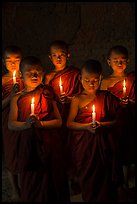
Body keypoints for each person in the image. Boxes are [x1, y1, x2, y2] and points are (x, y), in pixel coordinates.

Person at [8, 56, 70, 202]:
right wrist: (26, 124)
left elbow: (58, 121)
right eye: (30, 72)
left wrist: (40, 124)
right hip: (28, 145)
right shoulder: (17, 98)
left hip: (50, 144)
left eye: (38, 72)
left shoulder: (47, 93)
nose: (35, 75)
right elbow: (11, 124)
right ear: (22, 75)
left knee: (53, 179)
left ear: (43, 73)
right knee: (32, 180)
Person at [66, 59, 127, 201]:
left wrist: (103, 125)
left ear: (100, 78)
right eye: (87, 80)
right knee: (89, 176)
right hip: (85, 147)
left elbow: (118, 121)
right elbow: (69, 123)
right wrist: (86, 127)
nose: (91, 84)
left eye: (95, 80)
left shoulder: (107, 97)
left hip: (104, 145)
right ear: (80, 79)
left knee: (106, 177)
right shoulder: (77, 99)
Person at [43, 40, 83, 195]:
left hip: (72, 115)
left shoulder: (76, 73)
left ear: (68, 55)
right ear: (50, 58)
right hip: (56, 116)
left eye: (61, 55)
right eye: (55, 55)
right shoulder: (48, 77)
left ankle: (75, 179)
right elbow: (46, 96)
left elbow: (82, 94)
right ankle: (62, 180)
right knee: (58, 148)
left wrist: (71, 99)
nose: (58, 58)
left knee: (72, 147)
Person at [100, 45, 135, 189]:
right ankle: (115, 183)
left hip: (130, 121)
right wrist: (116, 104)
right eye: (116, 60)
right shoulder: (105, 82)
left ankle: (127, 183)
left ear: (128, 61)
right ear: (109, 62)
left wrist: (130, 102)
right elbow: (102, 102)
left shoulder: (132, 79)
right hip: (114, 122)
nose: (119, 63)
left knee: (129, 152)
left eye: (122, 60)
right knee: (114, 152)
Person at [2, 45, 24, 201]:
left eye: (17, 59)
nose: (13, 63)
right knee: (11, 154)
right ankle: (16, 192)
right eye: (9, 60)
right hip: (7, 121)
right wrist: (10, 97)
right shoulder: (2, 80)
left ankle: (26, 187)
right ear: (3, 62)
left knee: (24, 153)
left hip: (24, 120)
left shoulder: (27, 76)